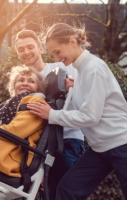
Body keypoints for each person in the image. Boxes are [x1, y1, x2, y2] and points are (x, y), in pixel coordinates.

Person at [27, 23, 127, 200]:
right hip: (99, 148)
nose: (57, 58)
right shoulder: (80, 73)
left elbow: (90, 116)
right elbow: (87, 104)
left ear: (72, 41)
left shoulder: (93, 69)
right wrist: (74, 89)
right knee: (67, 190)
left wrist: (51, 114)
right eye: (53, 54)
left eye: (57, 52)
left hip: (121, 143)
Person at [15, 29, 85, 199]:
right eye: (21, 49)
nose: (26, 52)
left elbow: (83, 101)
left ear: (40, 48)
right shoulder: (24, 80)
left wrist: (73, 89)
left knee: (62, 192)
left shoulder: (61, 67)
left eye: (30, 47)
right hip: (38, 148)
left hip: (66, 140)